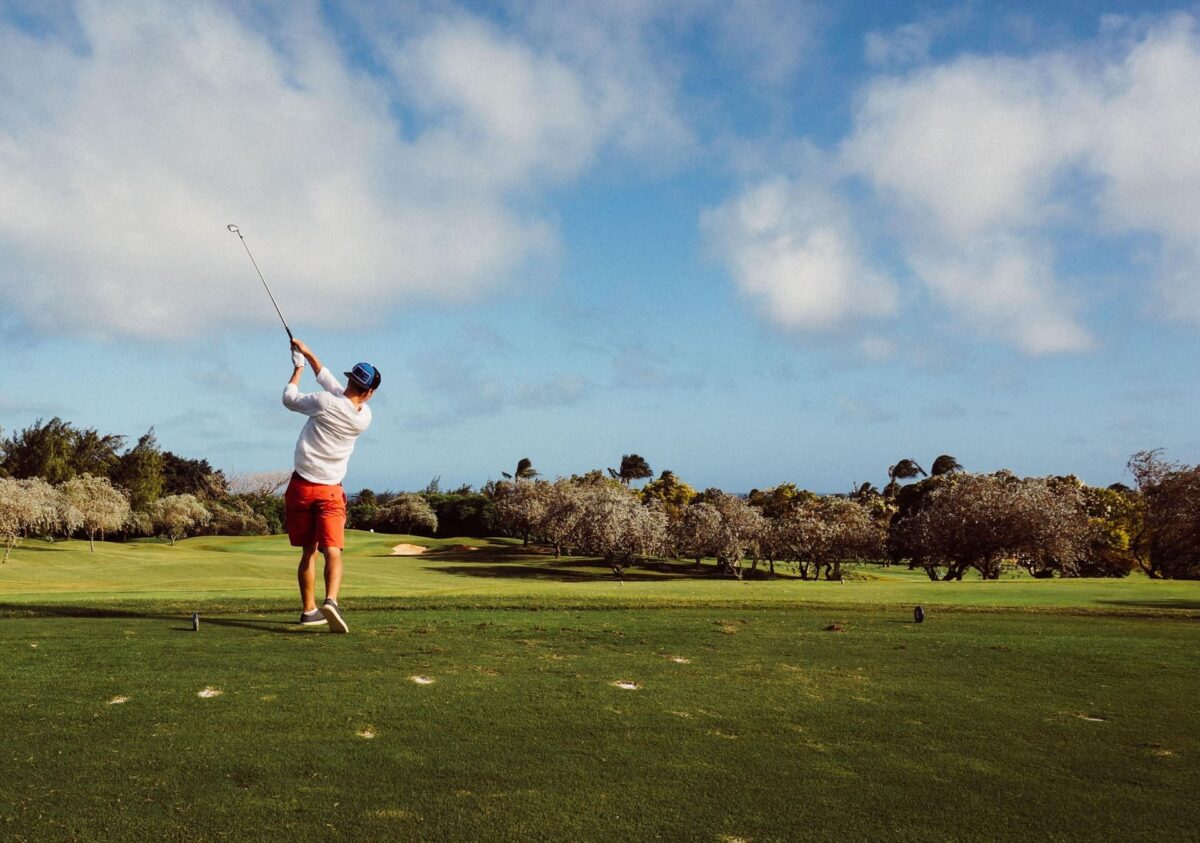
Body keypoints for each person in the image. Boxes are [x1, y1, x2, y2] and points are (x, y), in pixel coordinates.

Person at [282, 338, 380, 633]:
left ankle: (309, 610)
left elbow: (289, 398)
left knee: (308, 552)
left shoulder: (324, 403)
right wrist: (308, 354)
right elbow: (333, 386)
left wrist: (298, 368)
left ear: (351, 380)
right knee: (333, 549)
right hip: (330, 491)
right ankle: (332, 601)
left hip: (301, 487)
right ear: (370, 392)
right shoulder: (364, 417)